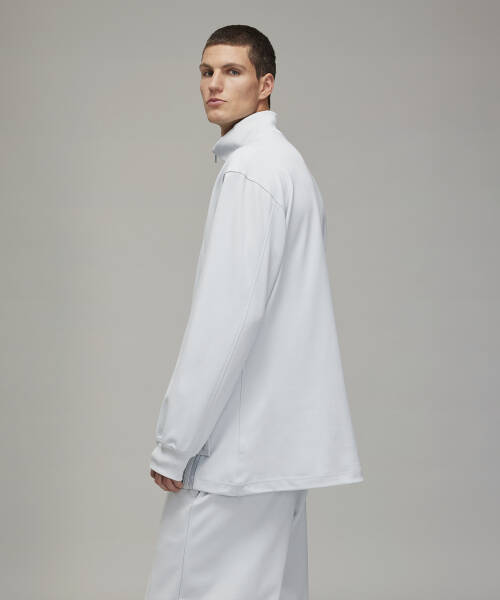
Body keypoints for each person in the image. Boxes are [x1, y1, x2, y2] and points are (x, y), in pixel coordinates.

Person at [144, 24, 363, 600]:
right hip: (275, 450)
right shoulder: (289, 166)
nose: (214, 84)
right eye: (206, 71)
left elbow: (232, 318)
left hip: (234, 457)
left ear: (265, 84)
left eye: (232, 71)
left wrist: (175, 443)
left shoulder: (251, 172)